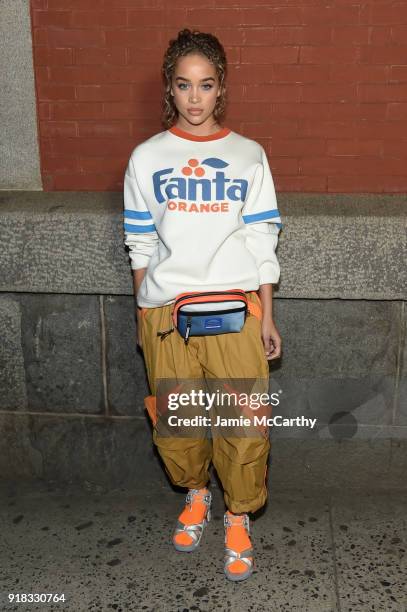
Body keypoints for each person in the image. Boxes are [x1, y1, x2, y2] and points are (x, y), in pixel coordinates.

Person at [123, 28, 282, 582]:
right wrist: (148, 304)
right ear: (170, 88)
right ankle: (196, 496)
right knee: (179, 424)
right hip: (168, 316)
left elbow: (263, 240)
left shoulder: (248, 155)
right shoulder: (147, 158)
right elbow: (139, 240)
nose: (195, 97)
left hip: (237, 310)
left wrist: (269, 313)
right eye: (184, 85)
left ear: (221, 89)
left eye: (206, 84)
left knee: (243, 424)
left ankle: (238, 516)